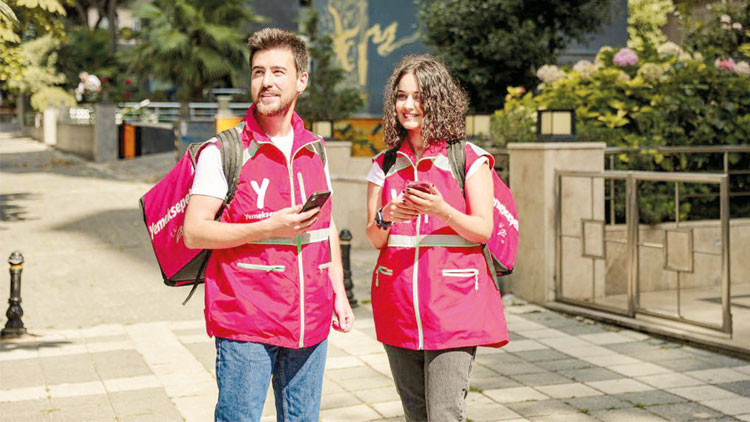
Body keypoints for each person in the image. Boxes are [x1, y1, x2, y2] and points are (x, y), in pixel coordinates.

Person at [183, 28, 354, 422]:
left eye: (278, 72)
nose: (266, 82)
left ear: (301, 80)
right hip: (247, 320)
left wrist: (339, 292)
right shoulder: (223, 150)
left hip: (309, 318)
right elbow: (194, 231)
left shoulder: (315, 149)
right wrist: (268, 227)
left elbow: (326, 225)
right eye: (258, 72)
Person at [365, 55, 509, 421]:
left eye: (419, 96)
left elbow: (482, 229)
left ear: (439, 99)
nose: (408, 105)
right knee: (415, 414)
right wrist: (386, 215)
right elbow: (375, 238)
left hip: (454, 305)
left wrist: (442, 209)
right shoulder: (383, 164)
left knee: (444, 413)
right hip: (397, 303)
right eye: (401, 96)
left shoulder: (468, 158)